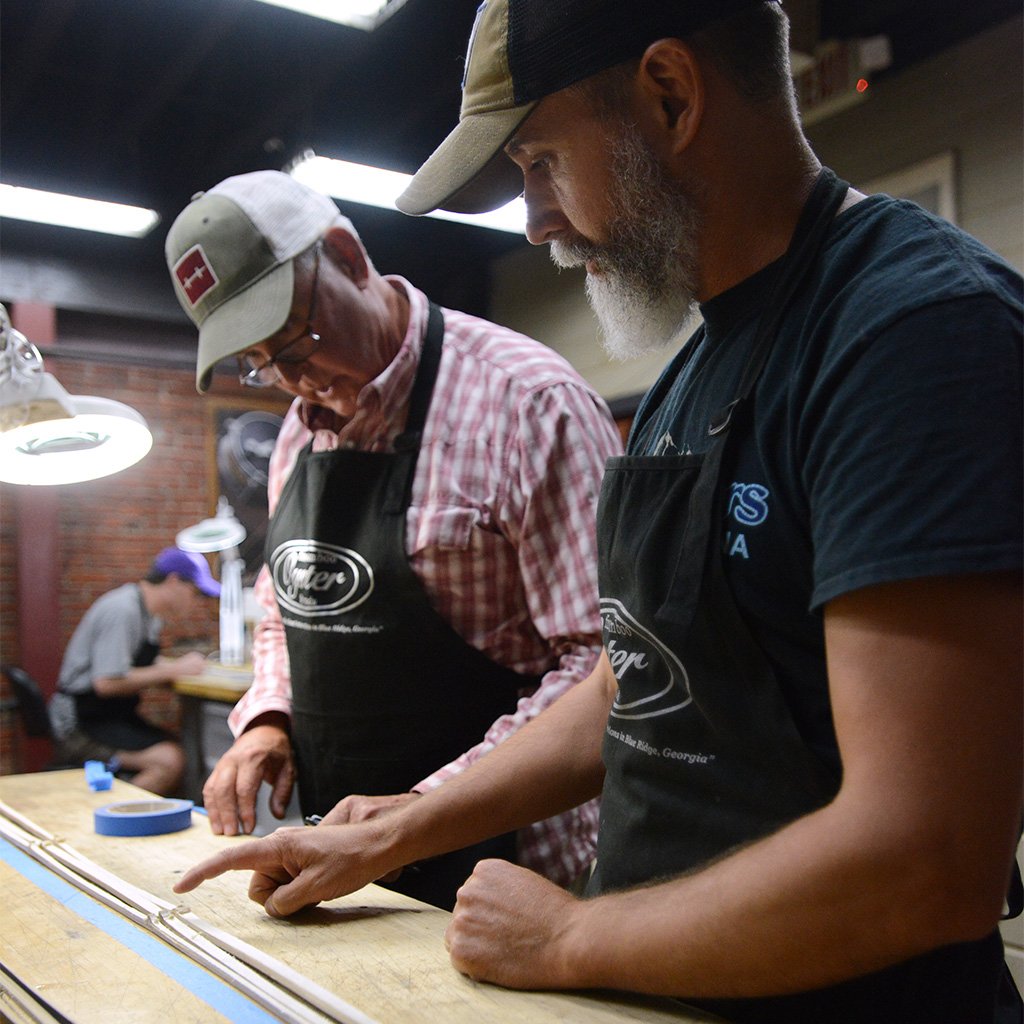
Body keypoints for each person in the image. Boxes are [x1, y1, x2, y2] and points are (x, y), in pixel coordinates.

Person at [172, 2, 1023, 1020]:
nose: (531, 220)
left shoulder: (913, 335)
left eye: (538, 163)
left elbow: (926, 857)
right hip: (666, 983)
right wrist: (395, 830)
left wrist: (575, 933)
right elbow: (638, 674)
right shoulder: (691, 374)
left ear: (670, 94)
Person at [163, 170, 622, 910]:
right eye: (261, 363)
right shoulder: (297, 431)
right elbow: (285, 600)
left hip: (508, 867)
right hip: (346, 866)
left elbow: (607, 665)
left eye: (296, 340)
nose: (292, 379)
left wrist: (417, 810)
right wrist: (270, 716)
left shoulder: (530, 406)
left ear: (346, 257)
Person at [49, 547, 218, 796]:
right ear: (173, 581)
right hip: (79, 722)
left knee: (177, 745)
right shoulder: (123, 610)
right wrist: (172, 670)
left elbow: (134, 663)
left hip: (107, 716)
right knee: (170, 760)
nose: (195, 603)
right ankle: (99, 816)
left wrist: (173, 667)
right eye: (195, 593)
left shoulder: (149, 614)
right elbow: (106, 683)